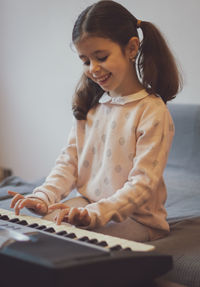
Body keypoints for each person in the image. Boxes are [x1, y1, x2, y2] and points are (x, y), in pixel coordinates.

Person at [8, 0, 182, 242]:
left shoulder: (151, 111)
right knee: (40, 230)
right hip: (89, 205)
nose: (93, 68)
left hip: (138, 219)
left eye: (101, 57)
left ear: (132, 48)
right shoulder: (90, 105)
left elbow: (142, 184)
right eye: (86, 60)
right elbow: (69, 162)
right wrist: (44, 197)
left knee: (74, 241)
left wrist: (94, 214)